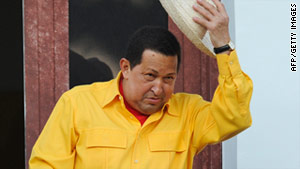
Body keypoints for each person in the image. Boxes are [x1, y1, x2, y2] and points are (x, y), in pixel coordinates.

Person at [29, 0, 253, 168]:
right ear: (126, 68)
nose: (158, 88)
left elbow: (235, 116)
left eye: (168, 78)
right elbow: (46, 165)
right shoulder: (77, 104)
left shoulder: (189, 113)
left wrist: (223, 45)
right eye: (150, 76)